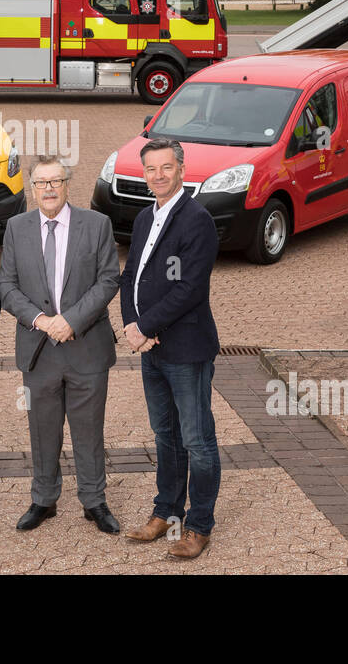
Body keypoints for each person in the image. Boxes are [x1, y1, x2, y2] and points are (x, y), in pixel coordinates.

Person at [0, 156, 121, 535]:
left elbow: (108, 280)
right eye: (40, 183)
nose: (48, 189)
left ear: (67, 184)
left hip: (86, 347)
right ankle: (44, 499)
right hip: (39, 349)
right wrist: (41, 320)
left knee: (89, 429)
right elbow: (6, 285)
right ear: (32, 189)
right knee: (42, 428)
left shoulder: (97, 224)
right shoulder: (16, 228)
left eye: (56, 181)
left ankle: (94, 501)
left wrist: (71, 320)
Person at [119, 137, 221, 560]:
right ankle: (166, 511)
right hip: (151, 348)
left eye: (165, 167)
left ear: (181, 168)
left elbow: (190, 289)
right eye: (150, 169)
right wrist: (130, 325)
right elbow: (131, 277)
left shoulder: (196, 220)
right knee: (165, 435)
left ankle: (199, 525)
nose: (158, 175)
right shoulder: (145, 217)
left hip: (187, 348)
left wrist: (146, 325)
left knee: (197, 440)